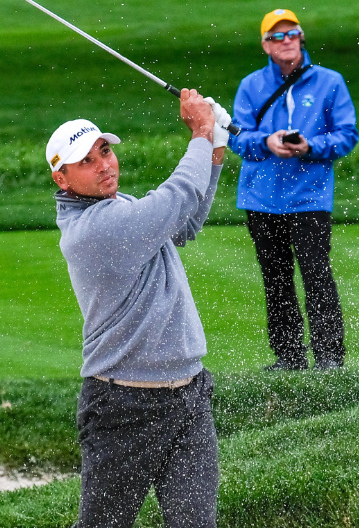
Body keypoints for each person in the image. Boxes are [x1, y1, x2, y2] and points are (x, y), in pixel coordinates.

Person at [49, 89, 231, 528]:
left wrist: (217, 148)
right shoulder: (92, 231)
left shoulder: (121, 206)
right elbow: (176, 197)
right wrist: (201, 134)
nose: (104, 165)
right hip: (124, 405)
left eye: (105, 152)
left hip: (189, 395)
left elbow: (184, 222)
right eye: (87, 162)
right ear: (63, 180)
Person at [228, 9, 359, 371]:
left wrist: (310, 147)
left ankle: (329, 357)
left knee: (317, 274)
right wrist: (267, 142)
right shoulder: (251, 86)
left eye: (292, 34)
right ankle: (289, 357)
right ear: (265, 46)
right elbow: (237, 138)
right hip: (261, 198)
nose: (285, 41)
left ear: (301, 38)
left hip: (310, 196)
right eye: (276, 36)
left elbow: (347, 135)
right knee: (275, 278)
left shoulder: (329, 82)